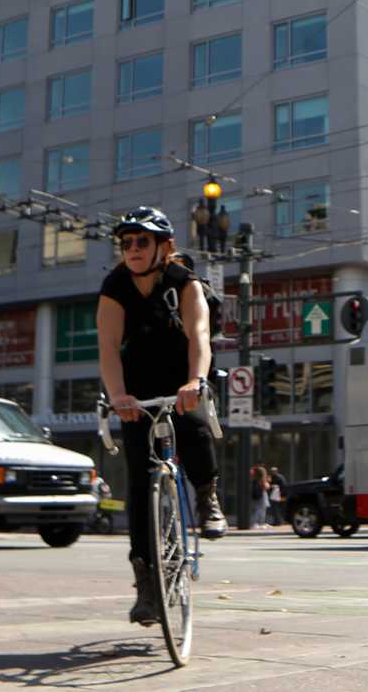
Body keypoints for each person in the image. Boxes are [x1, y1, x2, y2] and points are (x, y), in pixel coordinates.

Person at [97, 206, 223, 627]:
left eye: (142, 241)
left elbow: (199, 337)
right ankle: (147, 586)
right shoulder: (115, 286)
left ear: (164, 247)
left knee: (192, 425)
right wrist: (117, 396)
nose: (132, 249)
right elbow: (109, 349)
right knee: (137, 482)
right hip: (136, 388)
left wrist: (195, 382)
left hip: (180, 375)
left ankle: (206, 496)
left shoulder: (184, 283)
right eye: (126, 242)